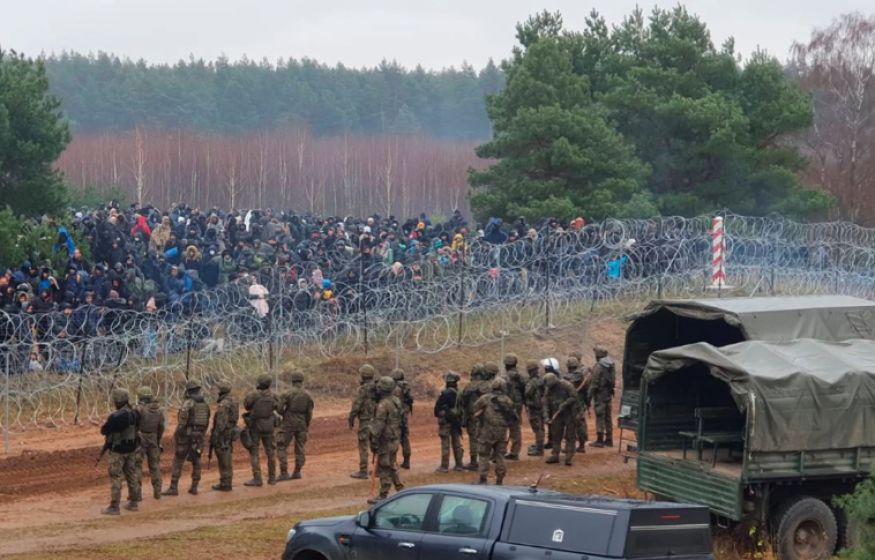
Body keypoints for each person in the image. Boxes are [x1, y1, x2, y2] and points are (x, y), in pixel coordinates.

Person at [163, 380, 210, 496]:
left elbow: (182, 423)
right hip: (199, 436)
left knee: (178, 460)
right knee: (196, 461)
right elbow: (206, 421)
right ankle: (194, 487)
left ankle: (173, 487)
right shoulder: (205, 404)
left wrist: (178, 435)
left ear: (188, 391)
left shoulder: (188, 404)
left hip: (186, 436)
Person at [100, 388, 142, 514]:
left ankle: (114, 506)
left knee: (116, 477)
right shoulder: (135, 413)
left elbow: (104, 430)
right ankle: (134, 502)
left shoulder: (116, 417)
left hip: (117, 451)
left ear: (117, 400)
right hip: (132, 449)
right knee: (131, 475)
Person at [473, 378, 518, 485]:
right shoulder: (507, 400)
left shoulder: (485, 398)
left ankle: (483, 478)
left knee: (484, 455)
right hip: (502, 432)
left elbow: (475, 408)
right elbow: (513, 416)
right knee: (500, 455)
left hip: (487, 431)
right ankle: (499, 480)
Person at [368, 376, 404, 504]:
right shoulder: (396, 400)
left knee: (384, 466)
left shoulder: (383, 405)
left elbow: (378, 426)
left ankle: (383, 494)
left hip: (386, 439)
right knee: (391, 463)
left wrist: (373, 441)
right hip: (395, 437)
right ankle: (400, 488)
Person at [277, 369, 314, 481]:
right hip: (302, 422)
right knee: (300, 447)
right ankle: (297, 471)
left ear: (292, 380)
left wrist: (284, 414)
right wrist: (306, 424)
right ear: (302, 380)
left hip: (288, 422)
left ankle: (284, 472)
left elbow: (279, 409)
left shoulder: (286, 393)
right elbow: (309, 413)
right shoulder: (308, 395)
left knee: (281, 446)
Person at [243, 374, 278, 486]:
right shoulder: (273, 395)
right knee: (271, 452)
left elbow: (247, 406)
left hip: (255, 426)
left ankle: (257, 478)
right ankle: (272, 478)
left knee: (254, 452)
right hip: (269, 426)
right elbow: (278, 406)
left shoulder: (253, 395)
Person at [134, 386, 165, 499]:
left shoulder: (139, 409)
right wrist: (157, 439)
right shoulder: (159, 410)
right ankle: (157, 492)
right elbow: (161, 426)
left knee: (137, 466)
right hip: (153, 438)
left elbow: (134, 425)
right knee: (155, 466)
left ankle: (137, 494)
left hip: (140, 438)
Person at [543, 372, 579, 466]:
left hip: (570, 413)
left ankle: (569, 457)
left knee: (570, 436)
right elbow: (545, 404)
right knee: (556, 435)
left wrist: (565, 404)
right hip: (557, 414)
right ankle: (555, 455)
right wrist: (546, 417)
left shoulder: (566, 385)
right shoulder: (548, 389)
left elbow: (574, 397)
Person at [348, 364, 377, 479]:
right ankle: (378, 469)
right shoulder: (377, 388)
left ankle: (363, 471)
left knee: (363, 446)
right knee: (376, 445)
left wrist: (351, 418)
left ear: (363, 376)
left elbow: (357, 405)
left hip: (365, 421)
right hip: (377, 420)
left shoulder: (362, 389)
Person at [433, 371, 464, 473]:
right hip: (456, 420)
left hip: (446, 420)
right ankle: (459, 465)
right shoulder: (459, 393)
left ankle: (444, 466)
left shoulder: (445, 393)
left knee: (445, 443)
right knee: (457, 443)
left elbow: (437, 408)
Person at [210, 381, 239, 491]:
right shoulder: (233, 400)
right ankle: (226, 482)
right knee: (226, 456)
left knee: (224, 458)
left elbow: (220, 423)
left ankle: (225, 483)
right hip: (230, 431)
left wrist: (215, 435)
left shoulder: (224, 404)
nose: (216, 391)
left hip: (224, 434)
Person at [588, 345, 616, 448]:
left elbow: (594, 384)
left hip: (600, 395)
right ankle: (609, 439)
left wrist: (589, 398)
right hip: (608, 394)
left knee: (600, 417)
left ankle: (599, 440)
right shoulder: (611, 364)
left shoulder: (599, 366)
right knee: (608, 417)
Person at [502, 354, 528, 460]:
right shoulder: (521, 377)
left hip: (505, 404)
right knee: (515, 428)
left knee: (503, 427)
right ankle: (515, 451)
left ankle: (501, 451)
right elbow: (525, 390)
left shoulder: (504, 378)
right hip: (517, 405)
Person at [460, 364, 486, 470]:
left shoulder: (468, 386)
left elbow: (463, 402)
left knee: (473, 439)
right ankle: (485, 460)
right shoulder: (486, 385)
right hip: (485, 416)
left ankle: (474, 462)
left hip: (472, 416)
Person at [566, 356, 590, 452]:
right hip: (577, 403)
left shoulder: (578, 375)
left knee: (578, 424)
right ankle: (577, 445)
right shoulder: (580, 374)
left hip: (577, 404)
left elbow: (571, 380)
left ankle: (581, 446)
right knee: (574, 424)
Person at [391, 368, 414, 469]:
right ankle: (407, 461)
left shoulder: (393, 388)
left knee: (394, 438)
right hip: (404, 415)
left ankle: (393, 462)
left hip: (395, 416)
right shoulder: (406, 386)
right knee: (405, 439)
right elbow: (410, 400)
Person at [524, 360, 546, 456]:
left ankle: (539, 449)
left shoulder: (533, 382)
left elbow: (528, 393)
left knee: (538, 429)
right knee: (540, 428)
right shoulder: (541, 379)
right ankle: (539, 445)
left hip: (534, 407)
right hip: (541, 407)